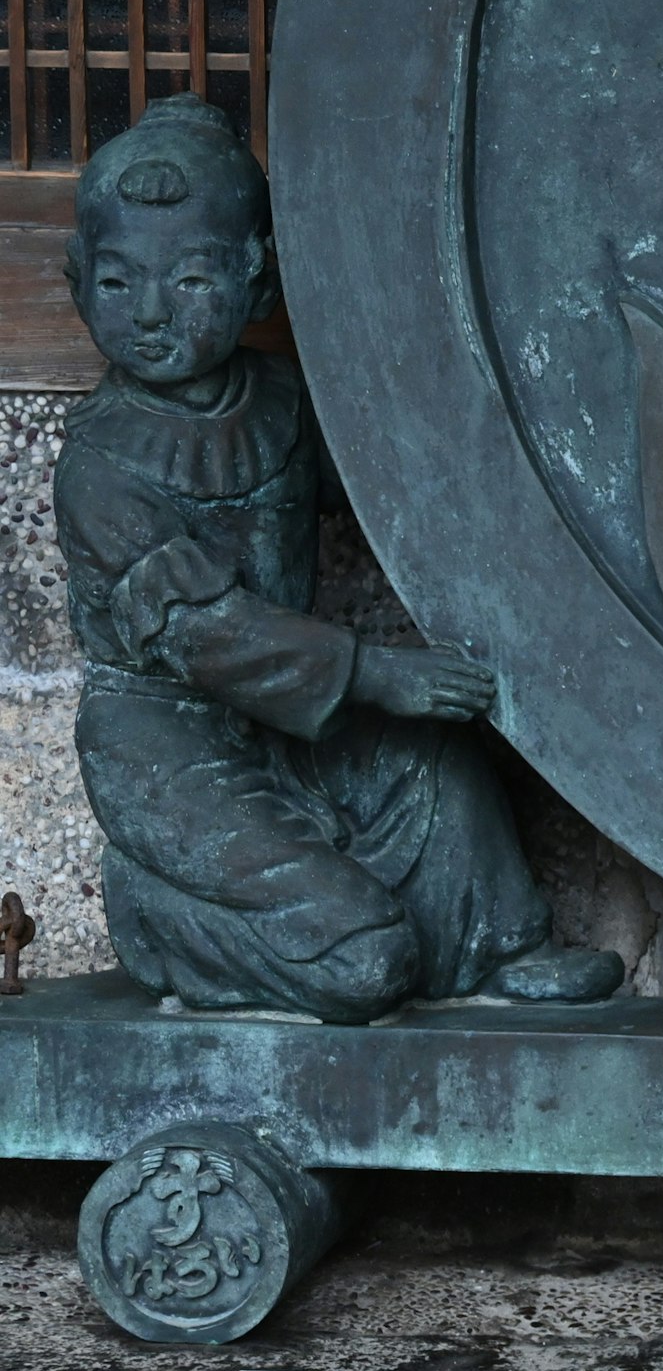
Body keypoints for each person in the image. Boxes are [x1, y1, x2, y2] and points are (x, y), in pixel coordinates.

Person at [56, 98, 620, 1020]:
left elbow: (387, 480)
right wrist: (372, 673)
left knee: (433, 763)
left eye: (192, 280)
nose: (151, 313)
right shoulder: (100, 468)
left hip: (287, 725)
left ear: (260, 284)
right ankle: (157, 912)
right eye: (118, 284)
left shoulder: (281, 401)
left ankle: (500, 948)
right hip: (168, 744)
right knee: (362, 970)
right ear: (77, 283)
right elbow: (206, 636)